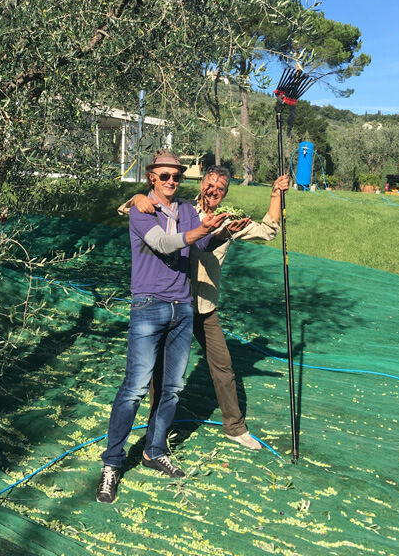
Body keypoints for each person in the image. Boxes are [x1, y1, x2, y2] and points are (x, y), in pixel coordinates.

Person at [121, 165, 289, 450]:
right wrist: (137, 196)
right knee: (159, 371)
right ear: (201, 185)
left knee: (223, 365)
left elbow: (268, 231)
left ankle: (235, 427)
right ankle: (156, 432)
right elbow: (142, 207)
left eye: (220, 188)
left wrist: (275, 194)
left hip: (204, 307)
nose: (213, 191)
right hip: (174, 303)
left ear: (226, 193)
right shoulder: (184, 210)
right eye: (210, 185)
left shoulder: (229, 219)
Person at [96, 151, 225, 504]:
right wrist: (200, 229)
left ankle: (154, 450)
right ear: (151, 177)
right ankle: (112, 463)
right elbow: (164, 243)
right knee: (135, 387)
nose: (171, 181)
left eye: (176, 176)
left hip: (182, 307)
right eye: (164, 176)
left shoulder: (187, 211)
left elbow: (201, 244)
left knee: (172, 387)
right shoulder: (141, 209)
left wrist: (224, 228)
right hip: (148, 305)